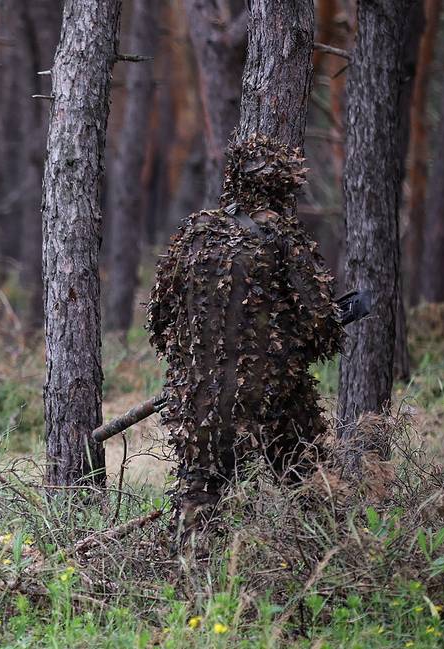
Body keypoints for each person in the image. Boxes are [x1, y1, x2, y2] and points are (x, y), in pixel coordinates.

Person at [146, 134, 343, 553]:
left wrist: (188, 367)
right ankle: (327, 566)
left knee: (199, 495)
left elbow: (159, 316)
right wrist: (295, 353)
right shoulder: (282, 236)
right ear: (281, 187)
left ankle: (189, 581)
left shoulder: (194, 233)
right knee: (307, 483)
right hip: (271, 394)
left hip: (197, 395)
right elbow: (323, 319)